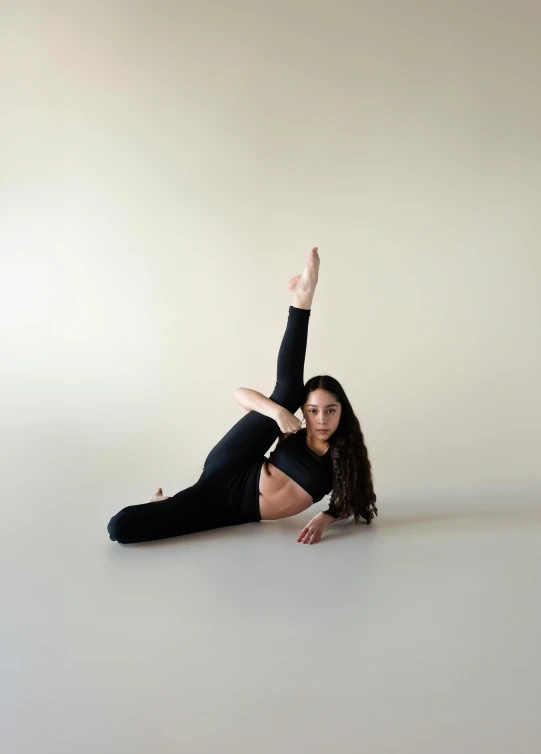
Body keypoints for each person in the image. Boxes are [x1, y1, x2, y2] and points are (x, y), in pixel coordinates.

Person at [107, 247, 377, 546]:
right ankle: (303, 297)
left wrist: (324, 517)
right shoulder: (292, 428)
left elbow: (357, 500)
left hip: (236, 511)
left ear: (343, 411)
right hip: (230, 470)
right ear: (304, 411)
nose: (322, 419)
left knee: (138, 525)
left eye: (330, 410)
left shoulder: (346, 458)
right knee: (118, 528)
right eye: (312, 410)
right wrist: (278, 414)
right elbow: (239, 394)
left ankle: (161, 504)